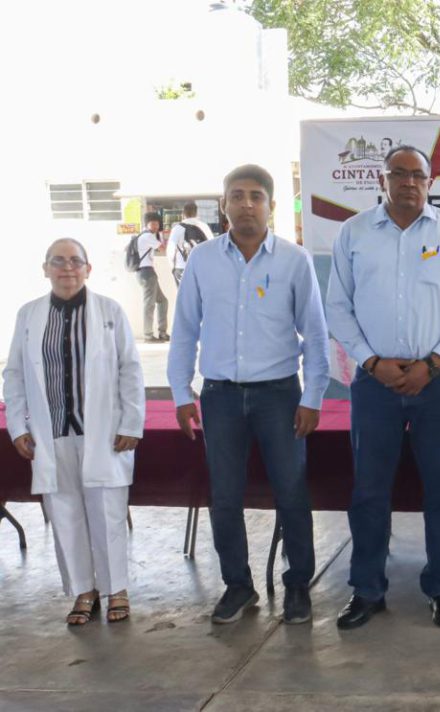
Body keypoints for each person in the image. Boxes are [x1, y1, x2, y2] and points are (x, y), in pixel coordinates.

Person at [326, 145, 440, 629]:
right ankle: (367, 590)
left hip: (439, 381)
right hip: (375, 383)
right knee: (370, 490)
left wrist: (433, 362)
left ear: (430, 183)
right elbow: (338, 307)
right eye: (399, 173)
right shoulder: (354, 233)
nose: (409, 182)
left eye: (418, 175)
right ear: (382, 179)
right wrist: (371, 361)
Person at [167, 164, 330, 625]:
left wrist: (313, 396)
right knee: (225, 497)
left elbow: (315, 334)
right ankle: (238, 586)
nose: (246, 204)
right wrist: (181, 392)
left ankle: (297, 584)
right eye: (236, 196)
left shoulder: (294, 260)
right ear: (223, 205)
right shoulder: (203, 260)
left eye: (255, 196)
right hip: (219, 397)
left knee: (291, 492)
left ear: (271, 206)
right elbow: (184, 330)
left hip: (279, 396)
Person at [4, 238, 144, 625]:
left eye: (75, 261)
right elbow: (14, 374)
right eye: (58, 261)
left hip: (103, 432)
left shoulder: (109, 311)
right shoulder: (29, 315)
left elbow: (130, 369)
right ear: (45, 269)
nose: (67, 268)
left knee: (107, 512)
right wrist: (17, 425)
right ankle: (84, 590)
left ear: (88, 268)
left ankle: (116, 589)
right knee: (64, 514)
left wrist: (131, 422)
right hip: (51, 433)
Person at [135, 212, 169, 342]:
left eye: (157, 224)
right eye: (153, 224)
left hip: (145, 273)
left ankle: (162, 333)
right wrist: (162, 238)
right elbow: (162, 248)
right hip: (147, 273)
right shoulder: (148, 236)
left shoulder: (141, 235)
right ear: (146, 224)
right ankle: (148, 335)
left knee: (162, 301)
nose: (156, 226)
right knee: (149, 304)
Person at [166, 201, 212, 286]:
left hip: (182, 267)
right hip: (201, 267)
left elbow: (171, 250)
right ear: (196, 213)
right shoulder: (204, 227)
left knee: (184, 293)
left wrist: (172, 267)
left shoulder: (177, 228)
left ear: (183, 214)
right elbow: (212, 247)